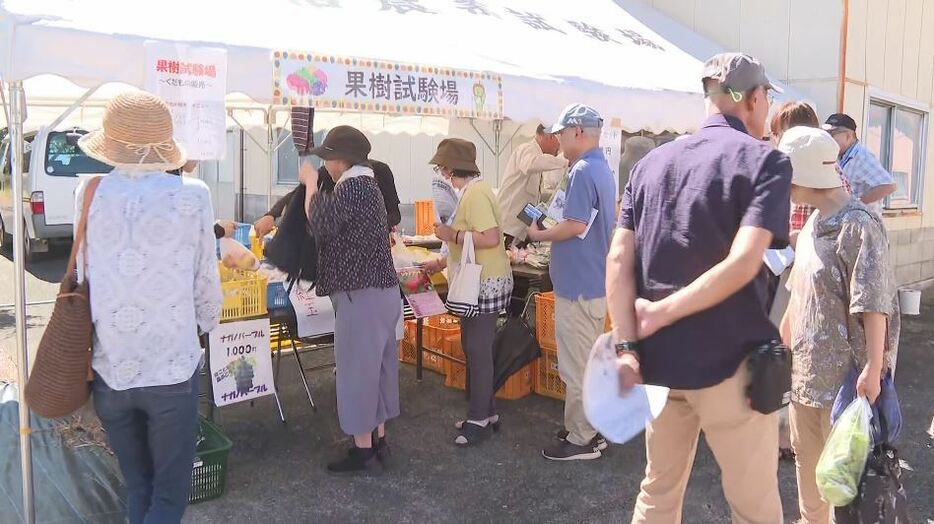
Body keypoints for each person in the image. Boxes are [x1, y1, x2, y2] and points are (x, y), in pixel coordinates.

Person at [609, 53, 790, 522]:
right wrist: (663, 312)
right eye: (767, 97)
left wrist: (628, 341)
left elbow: (617, 259)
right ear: (752, 99)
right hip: (730, 366)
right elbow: (746, 262)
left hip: (659, 365)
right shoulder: (766, 162)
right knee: (754, 506)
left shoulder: (649, 165)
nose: (767, 107)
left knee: (658, 491)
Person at [75, 92, 222, 524]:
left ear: (111, 143)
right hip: (171, 364)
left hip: (111, 365)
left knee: (138, 486)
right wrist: (200, 323)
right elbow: (205, 282)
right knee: (169, 495)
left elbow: (84, 274)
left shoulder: (89, 190)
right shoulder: (193, 194)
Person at [778, 126, 899, 524]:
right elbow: (801, 293)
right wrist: (779, 341)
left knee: (844, 481)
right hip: (806, 377)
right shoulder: (813, 224)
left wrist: (873, 369)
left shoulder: (860, 224)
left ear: (804, 173)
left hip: (846, 382)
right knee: (808, 466)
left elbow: (874, 302)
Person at [304, 126, 401, 475]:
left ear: (339, 160)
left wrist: (311, 186)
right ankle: (378, 440)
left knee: (358, 372)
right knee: (380, 368)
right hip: (381, 293)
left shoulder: (354, 187)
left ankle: (363, 452)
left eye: (327, 158)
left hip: (362, 295)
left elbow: (319, 220)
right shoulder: (368, 185)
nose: (325, 165)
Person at [526, 104, 616, 461]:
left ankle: (582, 438)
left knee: (577, 367)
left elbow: (576, 225)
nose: (558, 139)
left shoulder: (581, 170)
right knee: (587, 365)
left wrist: (540, 233)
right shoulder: (599, 167)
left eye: (561, 133)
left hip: (578, 287)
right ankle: (588, 429)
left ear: (577, 131)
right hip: (591, 282)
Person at [421, 138, 513, 446]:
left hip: (483, 282)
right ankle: (486, 411)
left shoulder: (474, 194)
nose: (443, 175)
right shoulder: (477, 190)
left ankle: (479, 419)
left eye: (444, 169)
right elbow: (475, 244)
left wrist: (451, 234)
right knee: (475, 346)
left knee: (477, 348)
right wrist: (441, 260)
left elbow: (489, 237)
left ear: (451, 169)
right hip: (481, 279)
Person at [254, 158, 401, 236]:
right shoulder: (327, 172)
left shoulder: (378, 173)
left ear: (342, 160)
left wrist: (371, 229)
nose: (326, 164)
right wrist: (271, 215)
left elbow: (395, 214)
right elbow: (298, 194)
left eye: (329, 158)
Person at [497, 124, 568, 248]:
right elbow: (531, 164)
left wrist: (547, 222)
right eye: (559, 143)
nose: (559, 149)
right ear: (550, 137)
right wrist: (565, 162)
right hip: (508, 229)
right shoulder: (527, 149)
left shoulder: (537, 159)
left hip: (521, 232)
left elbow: (527, 206)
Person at [823, 113, 896, 216]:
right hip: (846, 223)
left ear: (848, 136)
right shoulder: (839, 156)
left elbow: (888, 186)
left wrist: (856, 204)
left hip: (864, 225)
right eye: (826, 134)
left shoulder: (862, 156)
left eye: (832, 134)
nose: (828, 138)